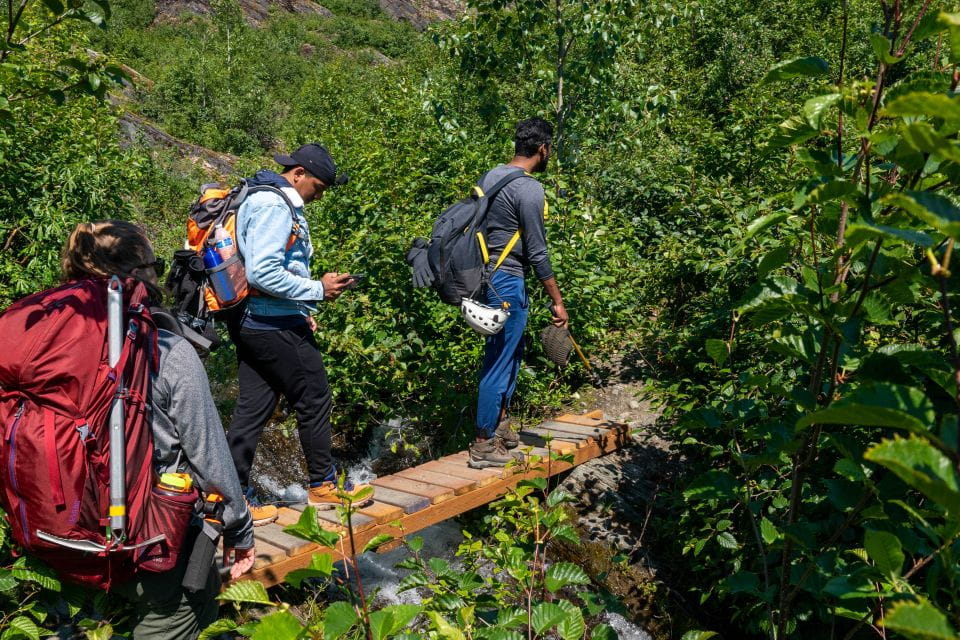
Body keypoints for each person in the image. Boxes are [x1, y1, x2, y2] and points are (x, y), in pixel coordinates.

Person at [60, 221, 255, 640]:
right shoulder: (167, 351)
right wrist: (240, 527)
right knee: (178, 616)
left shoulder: (51, 347)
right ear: (144, 273)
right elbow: (209, 456)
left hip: (66, 534)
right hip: (153, 544)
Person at [226, 142, 373, 525]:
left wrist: (300, 308)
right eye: (318, 188)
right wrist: (318, 291)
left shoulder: (259, 198)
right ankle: (323, 485)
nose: (318, 197)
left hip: (256, 319)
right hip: (272, 323)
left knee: (251, 412)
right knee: (314, 397)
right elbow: (263, 273)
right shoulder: (275, 205)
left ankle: (230, 499)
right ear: (297, 174)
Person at [469, 118, 569, 469]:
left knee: (509, 353)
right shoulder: (529, 189)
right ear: (543, 148)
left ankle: (500, 428)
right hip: (507, 281)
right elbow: (538, 252)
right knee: (499, 360)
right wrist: (557, 300)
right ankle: (483, 444)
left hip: (484, 278)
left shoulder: (490, 176)